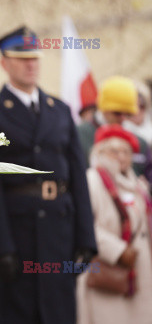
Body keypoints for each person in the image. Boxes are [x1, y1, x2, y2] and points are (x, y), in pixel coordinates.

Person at [0, 26, 97, 324]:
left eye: (35, 58)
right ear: (5, 62)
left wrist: (87, 239)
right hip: (17, 233)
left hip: (59, 231)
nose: (30, 64)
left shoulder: (60, 111)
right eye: (21, 58)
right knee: (18, 312)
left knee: (60, 312)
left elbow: (78, 175)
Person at [77, 124, 152, 324]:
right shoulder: (91, 180)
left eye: (126, 151)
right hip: (106, 268)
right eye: (114, 151)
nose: (121, 156)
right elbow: (84, 225)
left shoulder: (138, 185)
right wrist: (117, 251)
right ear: (100, 151)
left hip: (139, 271)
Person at [77, 76, 152, 184]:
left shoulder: (140, 143)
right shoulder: (80, 135)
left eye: (127, 114)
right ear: (104, 109)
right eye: (117, 113)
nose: (122, 118)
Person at [123, 80, 152, 148]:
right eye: (131, 110)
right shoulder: (124, 128)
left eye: (141, 106)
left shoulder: (149, 116)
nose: (137, 112)